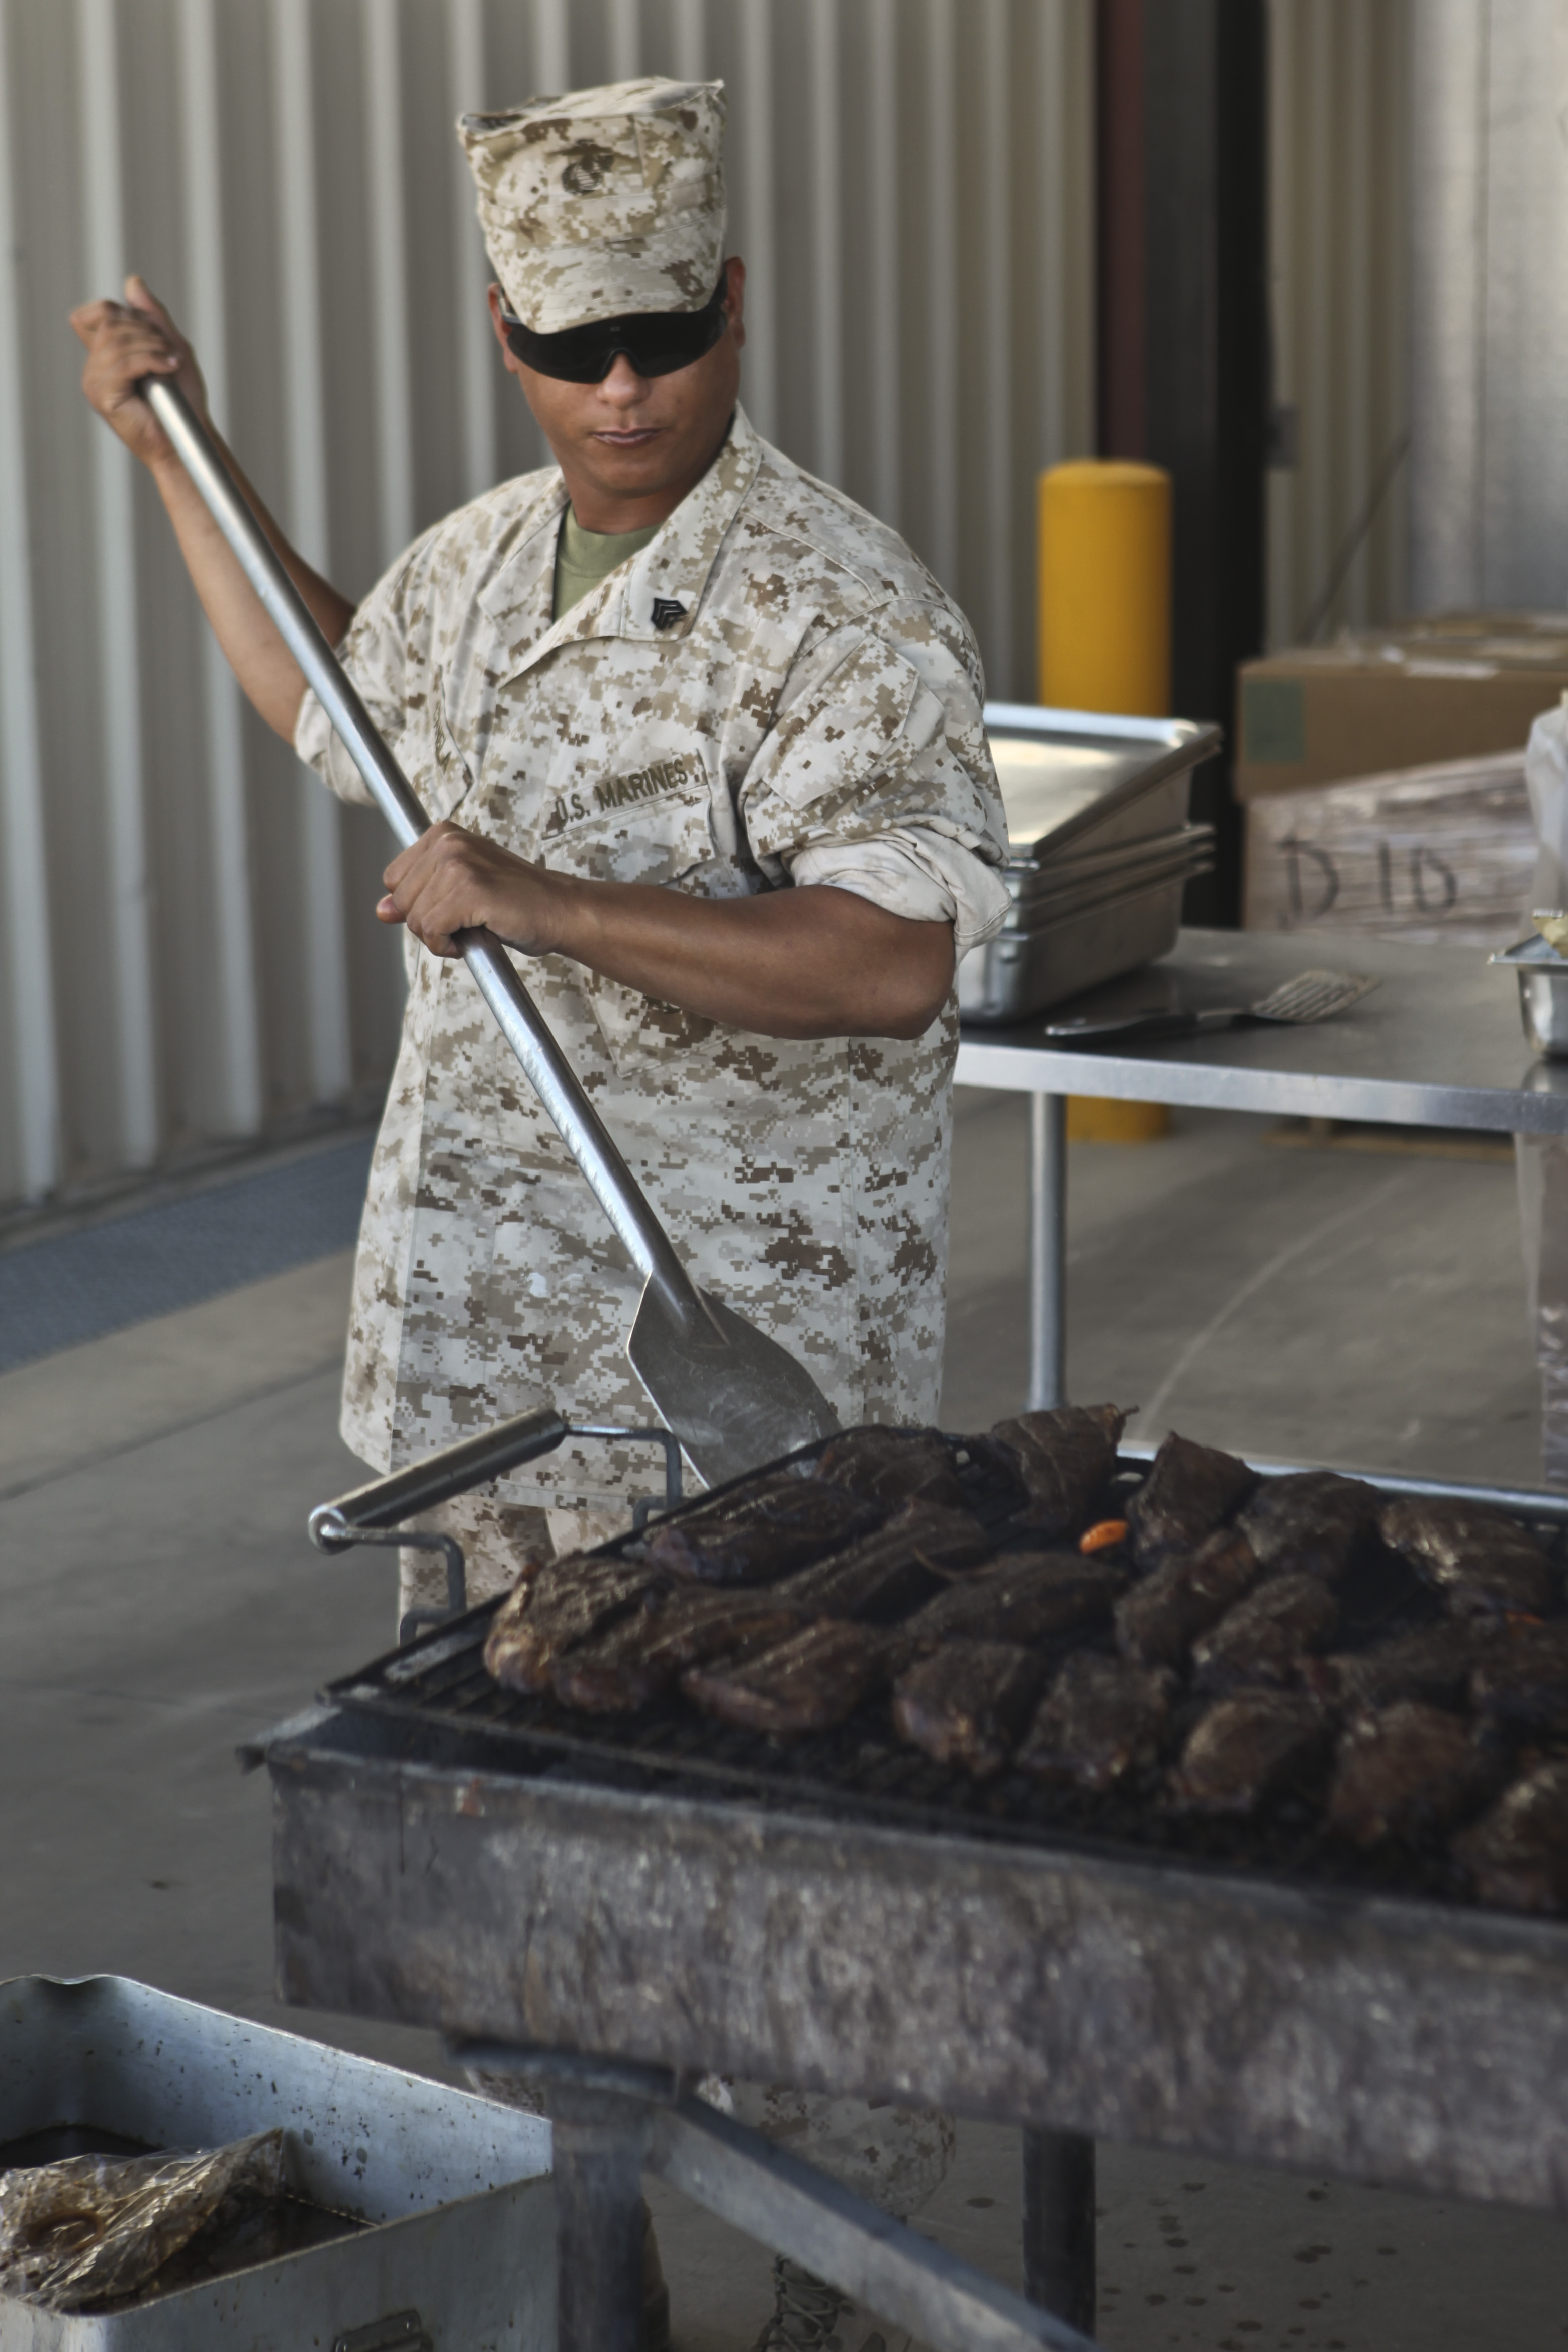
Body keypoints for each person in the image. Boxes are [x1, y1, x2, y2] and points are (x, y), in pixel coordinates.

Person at [74, 74, 1008, 2351]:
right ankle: (597, 2286)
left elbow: (896, 951)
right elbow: (333, 695)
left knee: (773, 1866)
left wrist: (544, 902)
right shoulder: (487, 563)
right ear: (502, 323)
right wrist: (171, 455)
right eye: (573, 347)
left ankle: (843, 2302)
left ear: (737, 304)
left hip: (726, 1390)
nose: (624, 393)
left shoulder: (833, 606)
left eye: (668, 339)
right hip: (483, 1364)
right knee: (506, 1866)